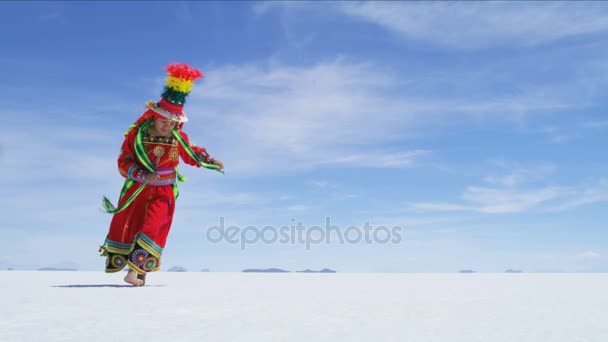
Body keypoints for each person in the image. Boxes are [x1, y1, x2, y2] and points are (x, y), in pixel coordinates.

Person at [99, 62, 223, 286]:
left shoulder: (178, 138)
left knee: (154, 226)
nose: (168, 126)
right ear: (154, 116)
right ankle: (137, 273)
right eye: (164, 121)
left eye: (173, 122)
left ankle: (135, 272)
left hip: (164, 191)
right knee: (131, 226)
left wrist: (210, 161)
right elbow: (123, 161)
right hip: (138, 188)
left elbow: (191, 153)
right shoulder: (136, 135)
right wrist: (141, 174)